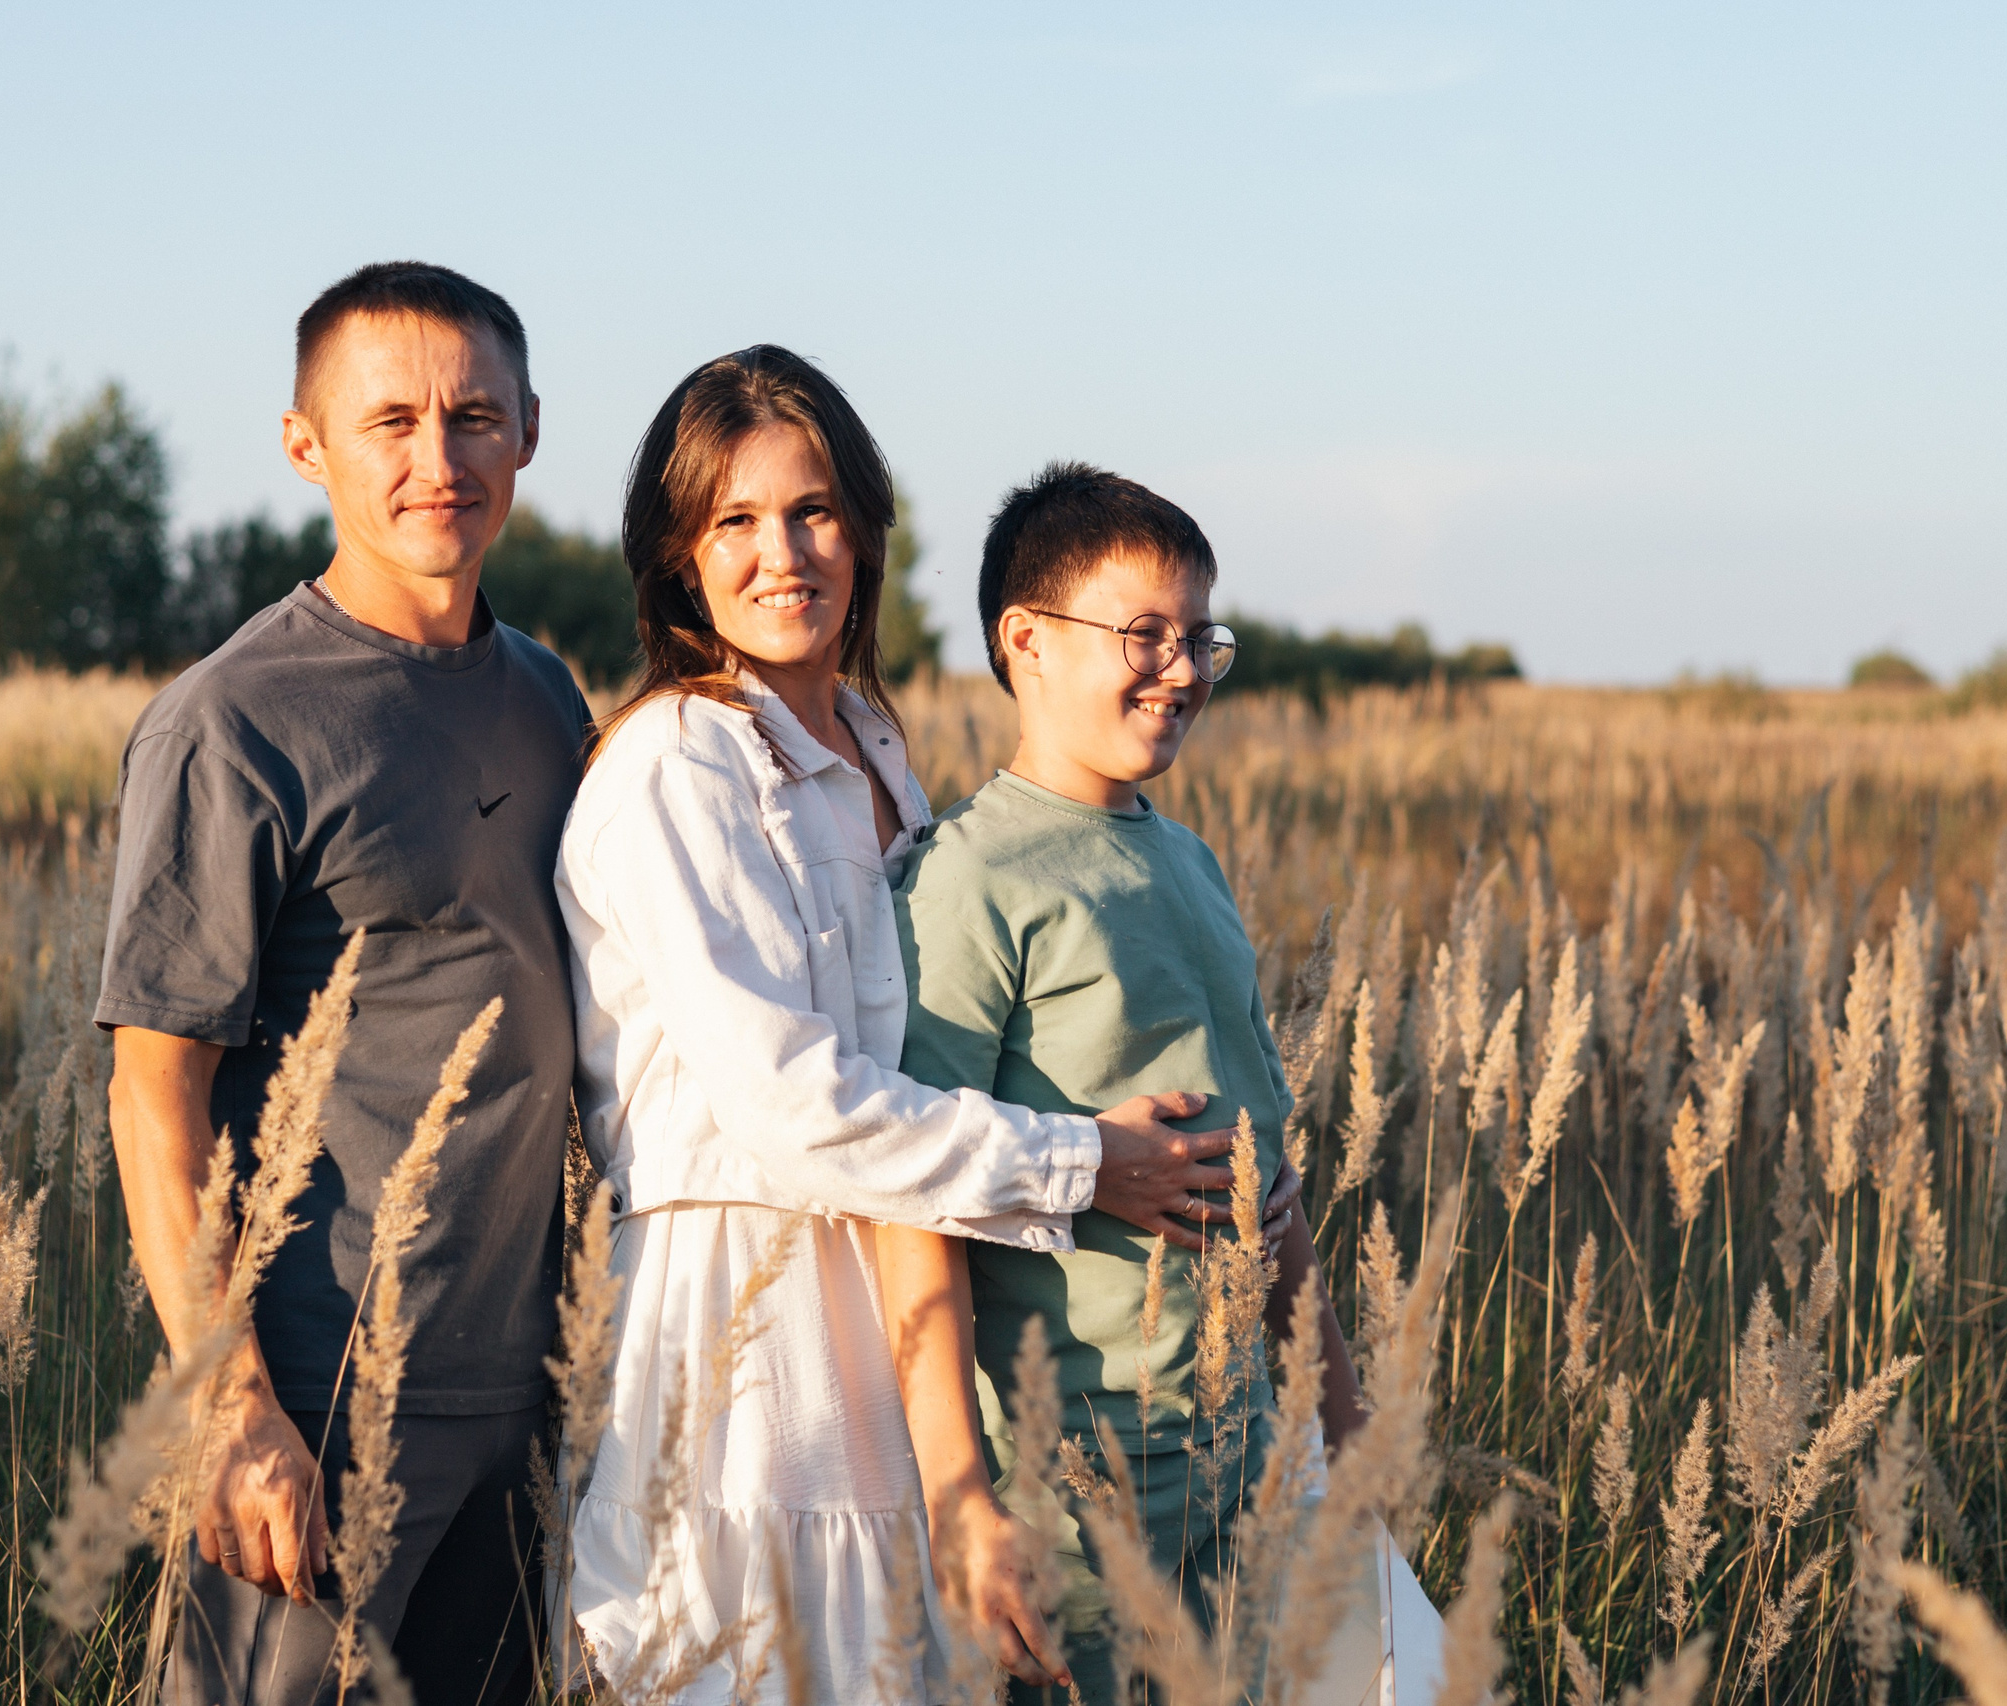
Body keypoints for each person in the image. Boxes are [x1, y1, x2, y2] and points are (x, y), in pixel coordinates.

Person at [555, 347, 1298, 1704]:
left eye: (817, 510)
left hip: (901, 1300)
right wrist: (1084, 1163)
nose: (784, 553)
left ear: (871, 529)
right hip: (753, 1303)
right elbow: (793, 1102)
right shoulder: (678, 759)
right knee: (756, 1654)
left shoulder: (875, 749)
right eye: (735, 521)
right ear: (676, 559)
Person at [100, 261, 587, 1705]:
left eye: (473, 417)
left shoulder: (550, 699)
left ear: (528, 432)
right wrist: (233, 1407)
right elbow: (152, 1097)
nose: (438, 460)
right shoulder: (236, 720)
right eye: (391, 422)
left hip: (526, 1384)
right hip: (323, 1391)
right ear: (307, 443)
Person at [882, 462, 1434, 1704]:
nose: (1181, 670)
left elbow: (1267, 1177)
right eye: (1143, 635)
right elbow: (912, 1195)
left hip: (1243, 1456)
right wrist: (961, 1498)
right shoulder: (967, 881)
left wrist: (1346, 1429)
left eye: (1201, 638)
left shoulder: (1187, 858)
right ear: (1023, 639)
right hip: (1078, 1477)